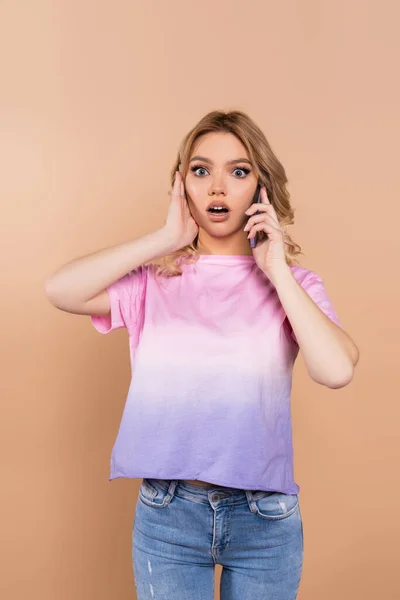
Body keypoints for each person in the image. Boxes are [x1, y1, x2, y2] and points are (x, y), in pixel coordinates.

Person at [45, 110, 359, 599]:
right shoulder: (154, 281)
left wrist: (276, 269)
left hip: (266, 521)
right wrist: (166, 238)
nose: (217, 187)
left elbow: (337, 370)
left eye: (238, 171)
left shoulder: (294, 285)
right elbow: (60, 289)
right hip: (168, 514)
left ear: (261, 187)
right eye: (200, 170)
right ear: (181, 186)